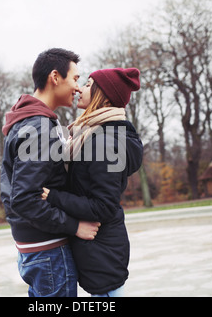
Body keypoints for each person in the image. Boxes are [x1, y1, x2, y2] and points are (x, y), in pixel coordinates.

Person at [0, 48, 101, 297]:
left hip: (37, 248)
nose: (78, 88)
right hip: (48, 251)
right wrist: (74, 225)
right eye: (75, 79)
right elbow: (24, 199)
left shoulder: (31, 121)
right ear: (55, 77)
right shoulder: (39, 128)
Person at [42, 68, 144, 297]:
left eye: (88, 85)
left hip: (102, 254)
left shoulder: (103, 141)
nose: (80, 88)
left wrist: (54, 196)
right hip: (98, 251)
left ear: (103, 94)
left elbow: (104, 206)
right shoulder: (92, 133)